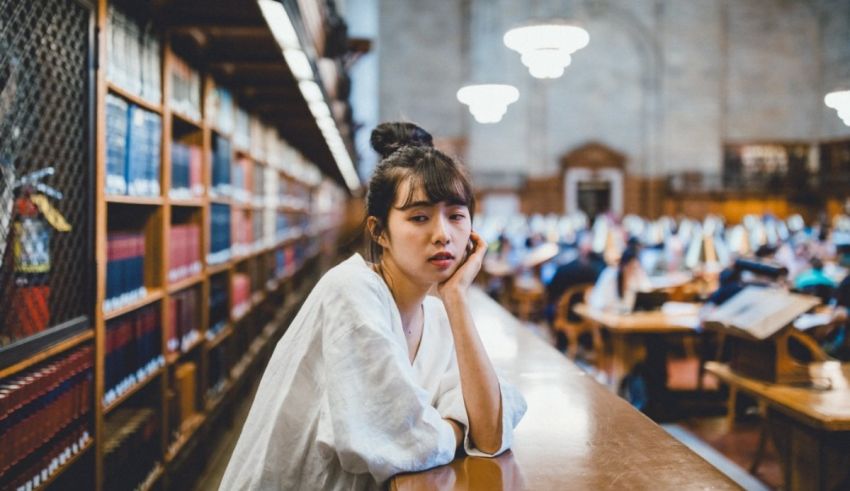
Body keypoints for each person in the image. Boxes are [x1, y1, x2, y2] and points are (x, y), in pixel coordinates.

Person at [219, 122, 526, 490]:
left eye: (456, 216)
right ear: (379, 232)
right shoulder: (351, 291)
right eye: (419, 217)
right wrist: (458, 426)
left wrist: (457, 297)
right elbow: (400, 439)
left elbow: (491, 434)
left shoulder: (441, 317)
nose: (443, 233)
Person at [588, 247, 651, 313]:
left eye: (635, 267)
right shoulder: (609, 274)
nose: (632, 270)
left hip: (628, 316)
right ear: (623, 266)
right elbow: (598, 302)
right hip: (609, 314)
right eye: (630, 267)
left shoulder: (638, 274)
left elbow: (647, 293)